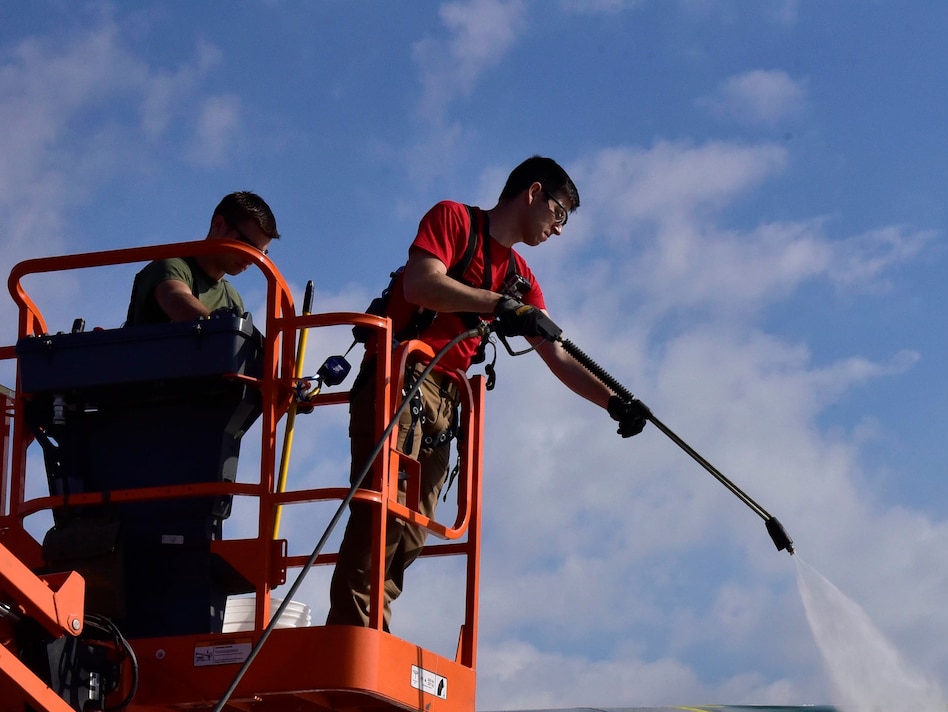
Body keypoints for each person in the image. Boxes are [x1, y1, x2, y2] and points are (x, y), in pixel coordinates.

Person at [326, 156, 650, 629]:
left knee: (415, 530)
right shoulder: (454, 220)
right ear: (533, 193)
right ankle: (353, 634)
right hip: (400, 378)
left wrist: (614, 402)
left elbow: (556, 355)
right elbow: (420, 285)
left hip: (447, 399)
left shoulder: (521, 277)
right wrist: (501, 305)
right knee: (383, 513)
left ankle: (371, 627)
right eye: (559, 214)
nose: (559, 230)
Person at [125, 192, 279, 326]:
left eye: (260, 253)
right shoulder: (171, 267)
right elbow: (176, 299)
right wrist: (217, 326)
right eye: (247, 245)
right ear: (218, 225)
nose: (251, 258)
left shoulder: (232, 298)